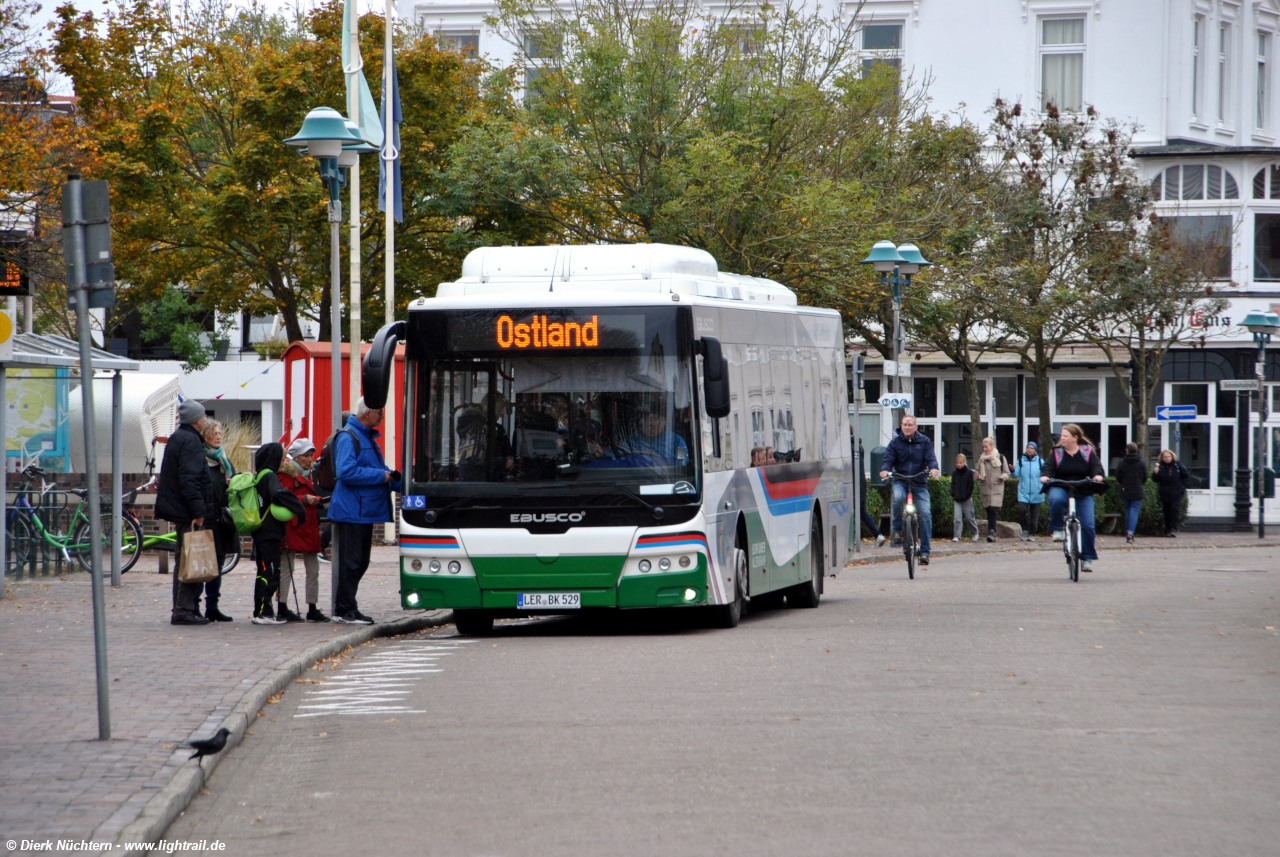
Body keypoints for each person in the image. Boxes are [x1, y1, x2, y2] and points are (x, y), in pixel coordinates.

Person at [330, 398, 403, 625]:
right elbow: (346, 472)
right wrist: (382, 476)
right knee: (352, 563)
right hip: (353, 511)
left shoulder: (364, 437)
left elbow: (377, 471)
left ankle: (346, 607)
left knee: (359, 563)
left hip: (361, 511)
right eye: (379, 412)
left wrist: (402, 481)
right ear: (368, 413)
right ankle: (345, 609)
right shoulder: (349, 437)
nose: (382, 415)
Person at [155, 398, 214, 626]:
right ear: (197, 420)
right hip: (188, 511)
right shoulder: (190, 441)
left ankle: (182, 607)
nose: (205, 420)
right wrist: (198, 511)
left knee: (184, 559)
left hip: (180, 509)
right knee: (190, 559)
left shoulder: (178, 437)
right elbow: (190, 479)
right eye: (203, 416)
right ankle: (183, 609)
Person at [249, 442, 306, 625]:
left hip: (260, 530)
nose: (284, 462)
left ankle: (262, 610)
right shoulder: (270, 476)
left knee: (263, 571)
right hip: (269, 531)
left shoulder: (260, 475)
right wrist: (299, 508)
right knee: (271, 572)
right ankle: (263, 613)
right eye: (281, 459)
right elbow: (278, 494)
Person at [1040, 423, 1106, 572]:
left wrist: (1097, 476)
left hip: (1083, 488)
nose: (1062, 438)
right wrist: (1045, 476)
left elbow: (1097, 467)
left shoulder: (1087, 452)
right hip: (1061, 486)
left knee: (1088, 525)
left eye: (1065, 436)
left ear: (1075, 438)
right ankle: (1058, 528)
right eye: (1062, 436)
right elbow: (1048, 467)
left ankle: (1087, 558)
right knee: (1056, 499)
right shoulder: (1057, 453)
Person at [879, 415, 941, 565]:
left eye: (910, 424)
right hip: (901, 480)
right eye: (905, 424)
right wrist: (885, 470)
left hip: (919, 483)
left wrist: (933, 469)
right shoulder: (895, 443)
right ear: (901, 426)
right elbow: (888, 459)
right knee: (898, 497)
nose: (907, 427)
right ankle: (897, 530)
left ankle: (925, 552)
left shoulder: (924, 441)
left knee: (925, 514)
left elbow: (931, 458)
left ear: (916, 427)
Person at [279, 438, 328, 622]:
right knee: (287, 568)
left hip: (307, 524)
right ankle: (282, 606)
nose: (310, 459)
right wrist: (305, 499)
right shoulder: (287, 474)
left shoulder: (308, 474)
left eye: (311, 455)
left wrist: (315, 501)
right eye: (306, 455)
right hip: (293, 525)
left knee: (313, 569)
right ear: (297, 457)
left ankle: (312, 607)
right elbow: (283, 497)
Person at [196, 418, 236, 622]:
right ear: (205, 436)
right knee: (202, 565)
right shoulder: (200, 460)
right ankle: (194, 606)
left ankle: (212, 606)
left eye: (220, 433)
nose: (219, 436)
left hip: (222, 520)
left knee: (218, 565)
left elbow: (233, 486)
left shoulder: (224, 461)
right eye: (214, 433)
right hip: (206, 520)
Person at [851, 431, 887, 547]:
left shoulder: (849, 447)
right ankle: (878, 535)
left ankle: (852, 538)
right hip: (861, 483)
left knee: (850, 511)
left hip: (852, 484)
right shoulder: (858, 446)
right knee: (861, 511)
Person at [619, 404, 688, 463]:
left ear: (664, 422)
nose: (650, 423)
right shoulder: (632, 439)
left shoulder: (679, 441)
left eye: (654, 419)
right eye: (647, 420)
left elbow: (682, 462)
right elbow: (618, 457)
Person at [976, 436, 1010, 542]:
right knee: (988, 510)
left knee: (992, 510)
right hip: (986, 489)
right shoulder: (981, 459)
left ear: (992, 446)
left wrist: (1003, 477)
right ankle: (991, 531)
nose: (984, 449)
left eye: (986, 447)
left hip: (996, 488)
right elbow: (978, 472)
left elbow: (1006, 472)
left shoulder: (1000, 457)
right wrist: (978, 476)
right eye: (983, 447)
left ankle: (992, 532)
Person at [1151, 449, 1190, 537]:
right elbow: (1155, 479)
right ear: (1162, 458)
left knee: (1174, 510)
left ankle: (1173, 529)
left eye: (1169, 456)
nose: (1167, 458)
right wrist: (1155, 473)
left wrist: (1183, 487)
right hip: (1165, 491)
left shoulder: (1177, 465)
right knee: (1167, 510)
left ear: (1172, 456)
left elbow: (1186, 475)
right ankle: (1168, 529)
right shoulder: (1160, 466)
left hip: (1176, 491)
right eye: (1165, 457)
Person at [1115, 442, 1148, 544]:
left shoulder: (1122, 462)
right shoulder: (1141, 463)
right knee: (1134, 511)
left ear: (1127, 450)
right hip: (1137, 490)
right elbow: (1145, 476)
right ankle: (1130, 533)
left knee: (1128, 511)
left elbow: (1118, 476)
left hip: (1125, 489)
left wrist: (1123, 483)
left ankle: (1128, 531)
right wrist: (1139, 484)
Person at [1012, 442, 1044, 541]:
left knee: (1034, 515)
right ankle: (1025, 529)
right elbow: (1015, 475)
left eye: (1032, 448)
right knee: (1022, 510)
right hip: (1023, 491)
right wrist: (1012, 470)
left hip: (1037, 492)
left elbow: (1046, 474)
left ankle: (1032, 533)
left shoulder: (1040, 461)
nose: (1029, 450)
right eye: (1028, 448)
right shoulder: (1021, 461)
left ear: (1035, 450)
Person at [950, 453, 979, 543]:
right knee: (957, 518)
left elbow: (971, 485)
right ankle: (957, 535)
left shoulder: (969, 473)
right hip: (957, 498)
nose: (959, 464)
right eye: (957, 463)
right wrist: (953, 494)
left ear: (964, 462)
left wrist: (968, 494)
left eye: (960, 463)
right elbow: (953, 485)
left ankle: (975, 532)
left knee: (970, 517)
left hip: (967, 498)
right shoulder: (954, 473)